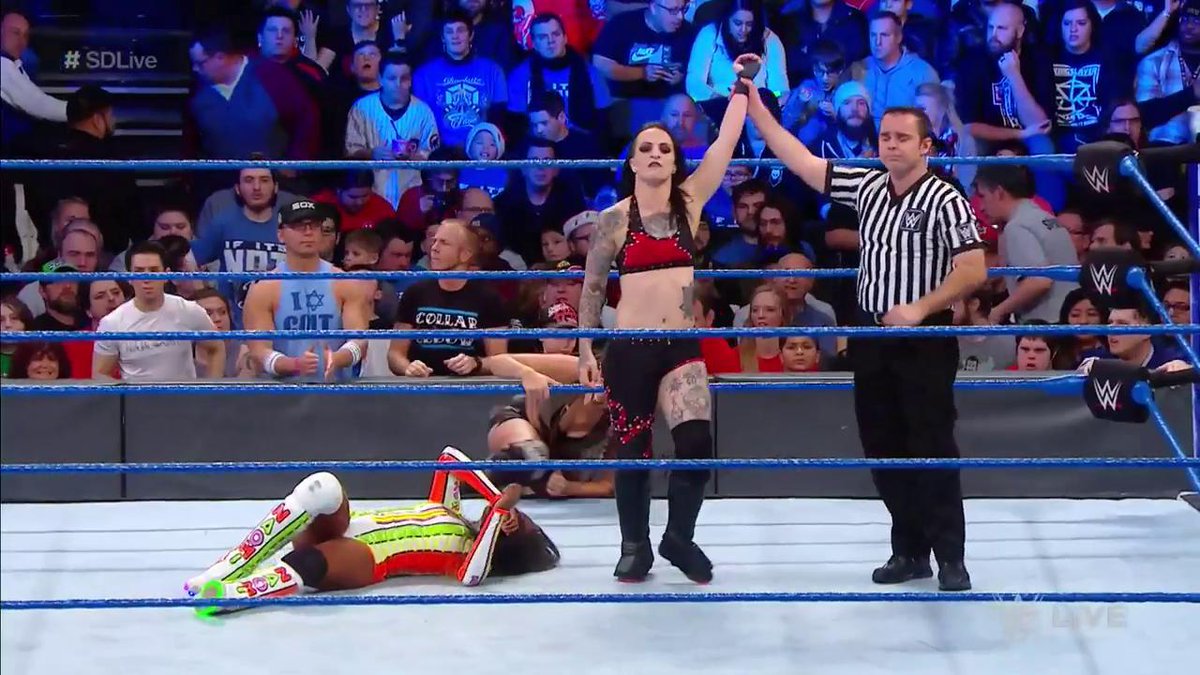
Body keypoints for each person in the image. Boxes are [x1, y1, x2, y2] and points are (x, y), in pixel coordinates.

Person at [743, 85, 988, 591]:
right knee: (882, 445)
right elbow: (803, 163)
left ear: (926, 145)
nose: (891, 144)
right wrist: (756, 108)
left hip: (924, 337)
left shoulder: (945, 198)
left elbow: (973, 268)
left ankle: (951, 557)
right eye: (885, 136)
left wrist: (920, 308)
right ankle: (909, 550)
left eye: (903, 137)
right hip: (871, 335)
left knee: (931, 444)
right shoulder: (867, 185)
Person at [576, 54, 757, 583]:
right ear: (632, 162)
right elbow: (592, 287)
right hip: (630, 348)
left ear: (676, 161)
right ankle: (634, 546)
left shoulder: (690, 204)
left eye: (664, 148)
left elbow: (724, 145)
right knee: (632, 451)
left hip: (680, 345)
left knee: (696, 443)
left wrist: (741, 87)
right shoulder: (612, 220)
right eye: (646, 148)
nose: (656, 154)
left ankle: (679, 536)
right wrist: (585, 350)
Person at [183, 446, 559, 613]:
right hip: (351, 523)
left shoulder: (466, 560)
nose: (513, 517)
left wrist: (499, 513)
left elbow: (473, 578)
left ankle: (232, 595)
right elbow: (449, 459)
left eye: (517, 525)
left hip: (369, 558)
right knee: (322, 487)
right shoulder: (451, 509)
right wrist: (496, 498)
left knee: (309, 563)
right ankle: (224, 570)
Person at [242, 199, 373, 382]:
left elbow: (360, 339)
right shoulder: (264, 288)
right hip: (283, 392)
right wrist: (293, 365)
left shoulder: (345, 282)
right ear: (281, 234)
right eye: (299, 226)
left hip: (335, 389)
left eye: (314, 226)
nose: (308, 232)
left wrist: (336, 358)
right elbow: (259, 350)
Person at [456, 349, 615, 499]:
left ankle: (474, 486)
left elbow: (608, 485)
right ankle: (460, 486)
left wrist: (568, 488)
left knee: (538, 470)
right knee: (532, 453)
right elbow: (496, 361)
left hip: (549, 474)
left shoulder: (622, 419)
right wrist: (527, 374)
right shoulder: (578, 370)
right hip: (520, 423)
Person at [93, 241, 225, 381]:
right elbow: (99, 374)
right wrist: (125, 393)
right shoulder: (112, 323)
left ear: (166, 275)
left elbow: (216, 347)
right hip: (138, 395)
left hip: (183, 394)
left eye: (153, 271)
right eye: (139, 271)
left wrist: (211, 389)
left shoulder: (188, 310)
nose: (147, 278)